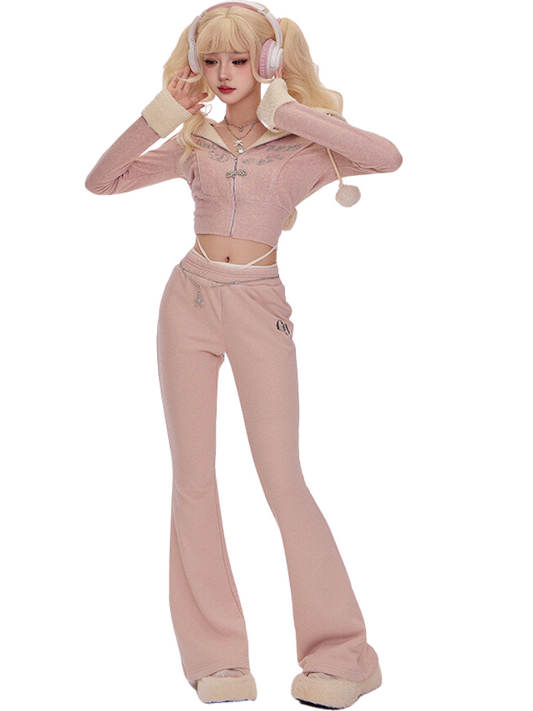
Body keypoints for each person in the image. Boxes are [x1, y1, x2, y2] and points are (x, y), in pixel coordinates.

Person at [85, 2, 402, 707]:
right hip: (187, 302)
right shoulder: (193, 144)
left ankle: (345, 655)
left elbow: (386, 156)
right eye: (210, 60)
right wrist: (161, 114)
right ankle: (216, 658)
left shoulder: (303, 147)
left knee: (282, 478)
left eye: (239, 59)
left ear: (268, 61)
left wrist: (290, 110)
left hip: (259, 306)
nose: (223, 74)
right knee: (193, 480)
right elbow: (102, 181)